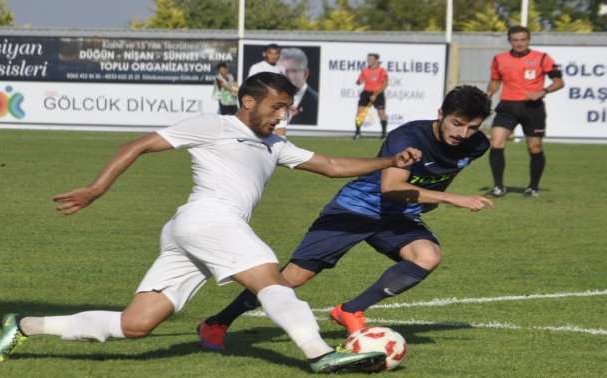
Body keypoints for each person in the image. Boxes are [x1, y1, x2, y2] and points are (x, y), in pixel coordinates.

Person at [0, 73, 422, 373]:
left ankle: (24, 325)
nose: (280, 117)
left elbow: (328, 164)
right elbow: (137, 143)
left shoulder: (274, 143)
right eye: (275, 107)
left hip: (188, 232)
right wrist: (97, 187)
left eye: (286, 109)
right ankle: (319, 354)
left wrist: (389, 159)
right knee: (272, 280)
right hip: (208, 219)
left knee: (135, 324)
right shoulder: (212, 125)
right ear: (248, 101)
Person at [197, 86, 494, 350]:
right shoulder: (407, 137)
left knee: (427, 255)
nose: (462, 134)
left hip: (398, 216)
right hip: (355, 209)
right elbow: (391, 187)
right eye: (456, 124)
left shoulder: (477, 145)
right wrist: (451, 198)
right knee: (290, 279)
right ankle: (218, 322)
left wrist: (431, 199)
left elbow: (439, 174)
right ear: (440, 114)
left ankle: (350, 310)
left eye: (472, 127)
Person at [486, 25, 564, 198]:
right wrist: (489, 92)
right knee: (496, 143)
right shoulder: (499, 59)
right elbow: (495, 81)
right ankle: (499, 187)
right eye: (515, 40)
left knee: (534, 148)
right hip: (507, 106)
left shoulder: (542, 58)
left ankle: (533, 187)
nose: (519, 43)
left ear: (528, 40)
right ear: (509, 41)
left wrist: (543, 92)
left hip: (532, 108)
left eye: (523, 39)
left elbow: (559, 82)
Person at [247, 44, 289, 136]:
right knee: (261, 134)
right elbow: (250, 86)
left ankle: (279, 150)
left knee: (281, 131)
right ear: (264, 54)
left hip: (279, 106)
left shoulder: (281, 69)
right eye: (271, 53)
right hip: (263, 106)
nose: (274, 56)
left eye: (276, 53)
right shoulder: (257, 67)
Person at [279, 47, 319, 126]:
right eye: (281, 71)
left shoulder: (317, 102)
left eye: (292, 71)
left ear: (305, 73)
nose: (284, 76)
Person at [354, 53, 388, 140]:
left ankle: (384, 134)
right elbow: (360, 81)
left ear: (376, 60)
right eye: (368, 59)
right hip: (366, 93)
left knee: (381, 113)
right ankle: (357, 133)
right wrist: (359, 82)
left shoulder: (382, 71)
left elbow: (385, 84)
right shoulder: (364, 70)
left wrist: (375, 94)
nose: (369, 61)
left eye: (371, 59)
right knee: (360, 113)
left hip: (378, 93)